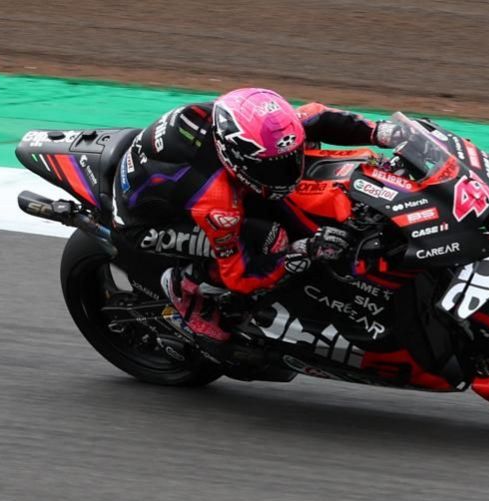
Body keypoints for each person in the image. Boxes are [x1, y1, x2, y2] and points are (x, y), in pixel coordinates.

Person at [111, 88, 402, 343]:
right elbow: (240, 275)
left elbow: (318, 117)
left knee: (298, 166)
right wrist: (304, 250)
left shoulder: (253, 131)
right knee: (272, 240)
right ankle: (183, 286)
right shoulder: (217, 204)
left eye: (290, 160)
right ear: (234, 158)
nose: (289, 170)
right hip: (147, 224)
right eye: (274, 167)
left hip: (178, 173)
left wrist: (382, 131)